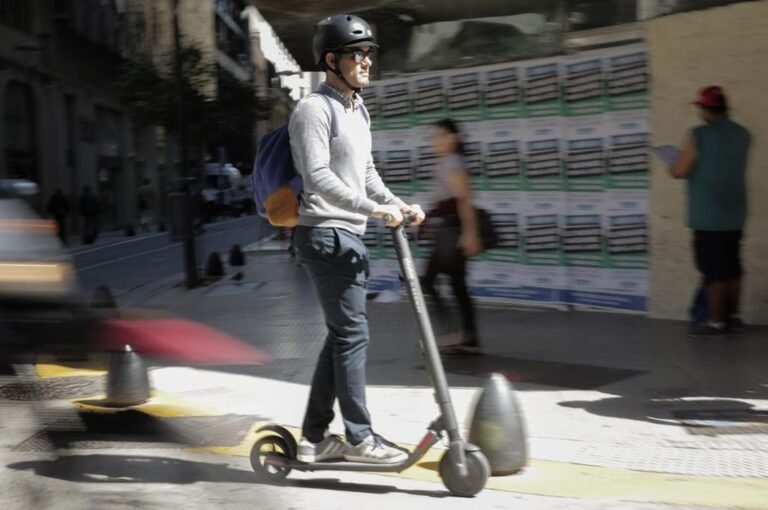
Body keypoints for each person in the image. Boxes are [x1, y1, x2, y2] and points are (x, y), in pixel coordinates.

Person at [289, 14, 425, 465]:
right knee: (352, 334)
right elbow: (317, 176)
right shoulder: (314, 109)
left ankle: (313, 439)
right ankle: (360, 438)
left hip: (348, 235)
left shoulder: (357, 108)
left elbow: (365, 174)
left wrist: (399, 204)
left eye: (369, 53)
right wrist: (372, 210)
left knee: (341, 336)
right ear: (331, 60)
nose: (367, 61)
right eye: (356, 53)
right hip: (324, 234)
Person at [667, 86, 751, 337]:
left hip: (708, 214)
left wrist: (672, 161)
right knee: (733, 267)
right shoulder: (743, 134)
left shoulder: (698, 135)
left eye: (700, 107)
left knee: (713, 271)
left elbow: (679, 170)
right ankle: (733, 317)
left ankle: (715, 323)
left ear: (705, 109)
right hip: (735, 210)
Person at [420, 119, 482, 355]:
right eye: (433, 137)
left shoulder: (452, 163)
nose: (434, 142)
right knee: (458, 285)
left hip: (452, 232)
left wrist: (470, 234)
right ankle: (468, 337)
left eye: (439, 136)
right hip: (448, 230)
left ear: (453, 138)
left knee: (429, 279)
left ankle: (455, 333)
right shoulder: (446, 162)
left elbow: (464, 201)